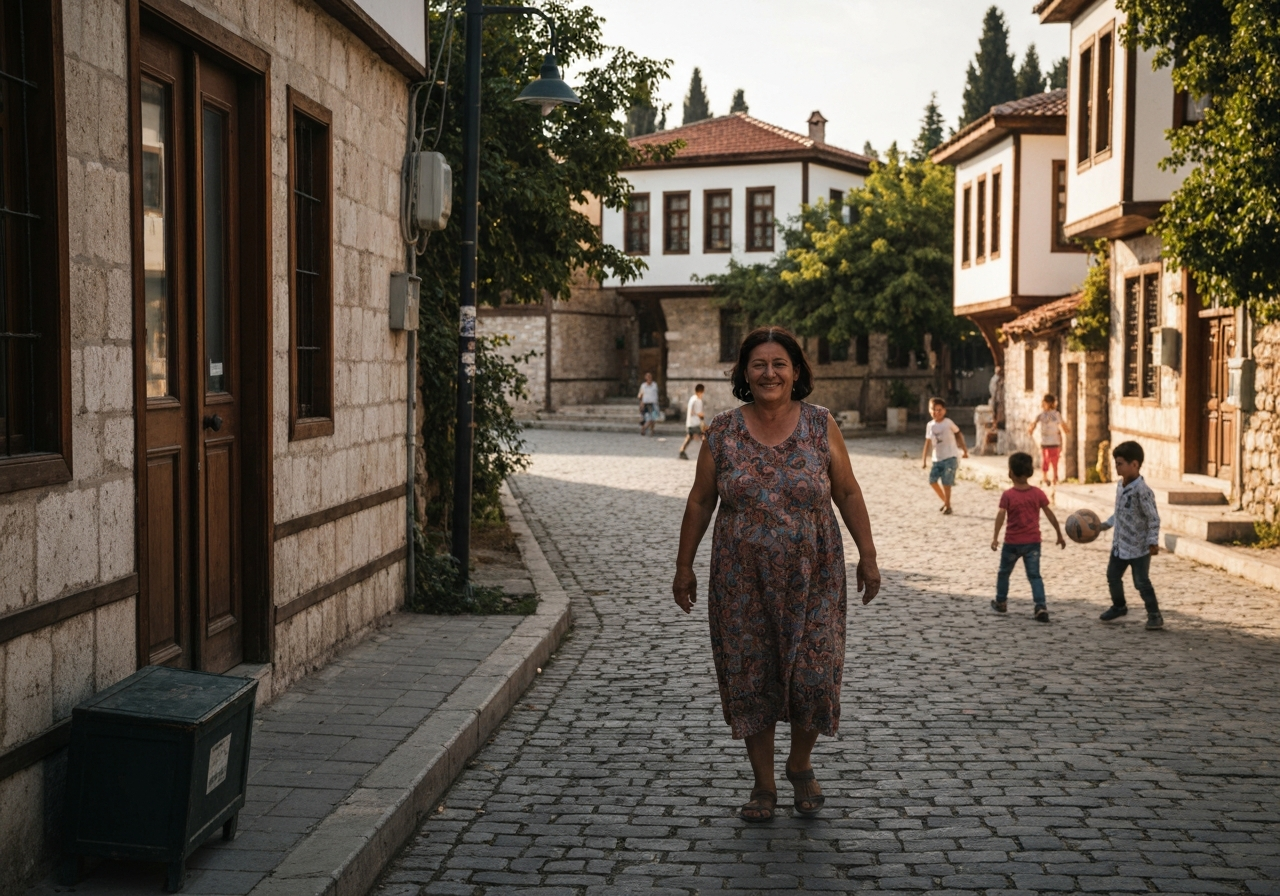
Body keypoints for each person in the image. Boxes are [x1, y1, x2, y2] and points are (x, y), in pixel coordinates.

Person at [672, 326, 880, 823]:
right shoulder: (722, 431)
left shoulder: (820, 424)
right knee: (753, 676)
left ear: (796, 371)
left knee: (815, 675)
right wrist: (683, 566)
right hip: (740, 580)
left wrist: (868, 554)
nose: (769, 373)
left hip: (816, 574)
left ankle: (800, 762)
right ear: (744, 373)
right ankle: (763, 784)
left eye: (779, 364)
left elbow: (847, 491)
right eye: (759, 365)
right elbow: (700, 500)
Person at [991, 451, 1066, 622]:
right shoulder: (1037, 494)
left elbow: (1001, 516)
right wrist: (1059, 534)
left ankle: (1001, 601)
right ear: (1030, 472)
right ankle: (1040, 606)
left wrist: (995, 537)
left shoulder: (1008, 495)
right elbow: (1049, 514)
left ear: (1010, 472)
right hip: (1033, 543)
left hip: (1012, 543)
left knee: (1004, 573)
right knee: (1034, 576)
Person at [1098, 441, 1164, 630]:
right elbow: (1119, 513)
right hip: (1120, 545)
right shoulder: (1120, 486)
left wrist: (1152, 541)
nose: (1116, 467)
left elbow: (1153, 518)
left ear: (1134, 464)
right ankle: (1119, 606)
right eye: (1116, 463)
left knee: (1141, 582)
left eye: (1120, 463)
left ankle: (1154, 615)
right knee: (1112, 576)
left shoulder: (1142, 491)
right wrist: (1105, 525)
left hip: (1139, 547)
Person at [921, 398, 968, 514]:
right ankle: (947, 503)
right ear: (929, 410)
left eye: (939, 410)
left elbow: (958, 434)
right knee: (932, 480)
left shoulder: (948, 423)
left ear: (944, 411)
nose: (936, 412)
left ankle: (947, 505)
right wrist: (924, 460)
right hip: (937, 458)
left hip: (950, 456)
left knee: (947, 483)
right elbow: (927, 442)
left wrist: (964, 450)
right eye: (934, 410)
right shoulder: (930, 425)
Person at [1028, 393, 1069, 488]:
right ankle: (1045, 477)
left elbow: (1062, 424)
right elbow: (1034, 423)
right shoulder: (1041, 415)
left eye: (1044, 403)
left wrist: (1066, 430)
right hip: (1045, 441)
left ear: (1049, 403)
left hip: (1054, 441)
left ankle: (1054, 477)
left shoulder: (1056, 414)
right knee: (1045, 460)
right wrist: (1031, 429)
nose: (1043, 404)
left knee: (1054, 461)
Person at [678, 384, 706, 460]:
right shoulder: (697, 400)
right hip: (695, 423)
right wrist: (702, 417)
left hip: (690, 423)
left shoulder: (692, 399)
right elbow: (699, 413)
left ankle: (682, 451)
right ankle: (708, 454)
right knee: (704, 437)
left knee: (689, 437)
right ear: (701, 391)